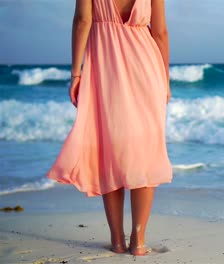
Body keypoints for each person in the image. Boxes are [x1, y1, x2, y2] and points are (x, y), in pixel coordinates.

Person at [46, 0, 173, 256]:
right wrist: (165, 80)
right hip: (147, 70)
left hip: (105, 69)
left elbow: (82, 22)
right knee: (145, 152)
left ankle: (117, 240)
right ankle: (138, 242)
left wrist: (75, 74)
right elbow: (159, 33)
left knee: (110, 148)